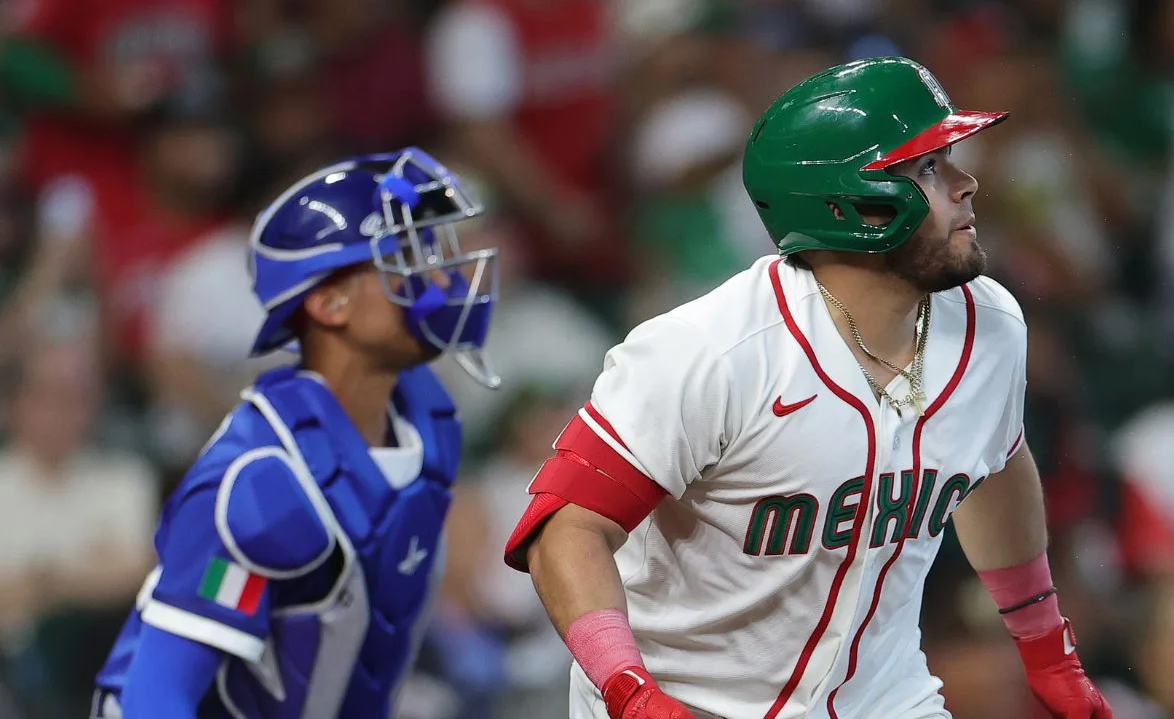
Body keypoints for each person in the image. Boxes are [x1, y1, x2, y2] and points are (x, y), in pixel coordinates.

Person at [504, 57, 1114, 719]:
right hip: (689, 703)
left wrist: (1047, 650)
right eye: (928, 168)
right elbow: (566, 530)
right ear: (846, 205)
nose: (967, 184)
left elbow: (995, 467)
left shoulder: (990, 324)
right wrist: (628, 691)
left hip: (884, 699)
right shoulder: (711, 350)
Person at [91, 146, 500, 718]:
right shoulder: (264, 481)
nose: (438, 277)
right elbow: (155, 695)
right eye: (404, 256)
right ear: (329, 302)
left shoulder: (427, 424)